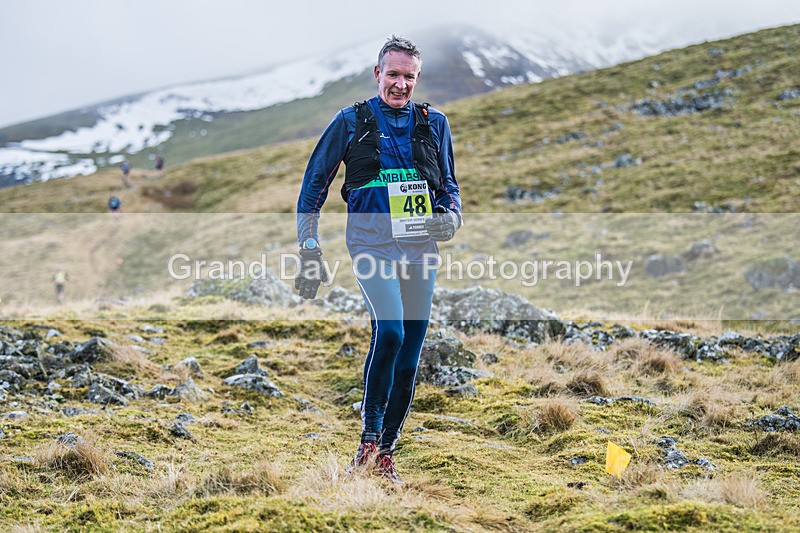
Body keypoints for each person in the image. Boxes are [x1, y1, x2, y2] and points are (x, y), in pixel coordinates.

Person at [295, 36, 462, 484]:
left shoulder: (435, 123)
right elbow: (313, 188)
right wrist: (309, 248)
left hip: (419, 249)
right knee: (388, 330)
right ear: (377, 74)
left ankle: (386, 452)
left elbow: (450, 189)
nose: (400, 84)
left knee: (410, 354)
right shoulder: (351, 121)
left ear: (417, 78)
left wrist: (452, 218)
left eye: (409, 76)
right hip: (370, 246)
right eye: (393, 74)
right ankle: (367, 440)